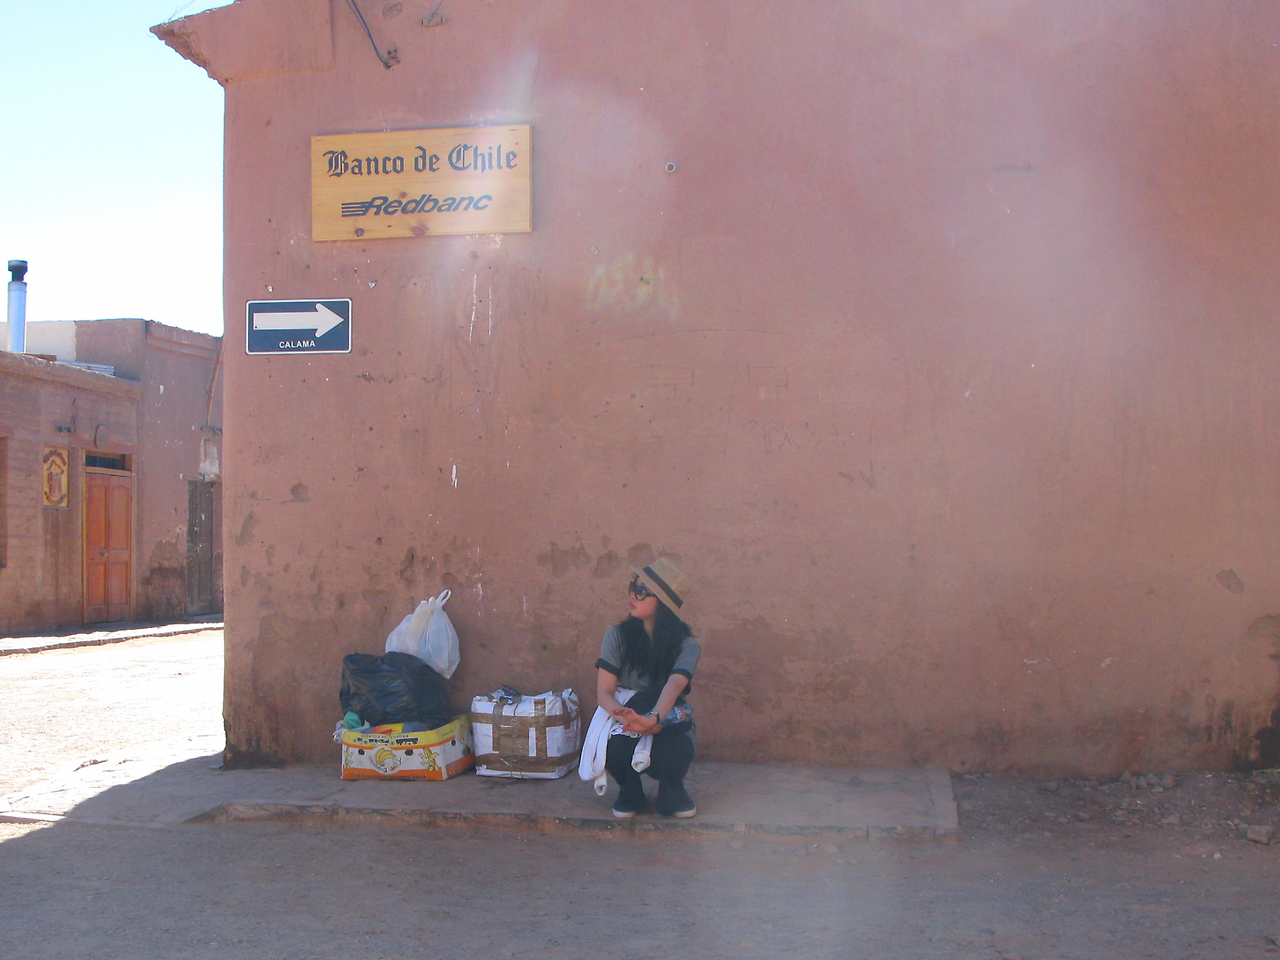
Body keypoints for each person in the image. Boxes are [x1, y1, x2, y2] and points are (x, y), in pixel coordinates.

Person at [595, 558, 701, 818]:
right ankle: (630, 790)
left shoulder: (687, 645)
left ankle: (672, 789)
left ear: (663, 604)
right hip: (626, 713)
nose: (633, 595)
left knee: (677, 748)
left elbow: (675, 685)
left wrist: (652, 720)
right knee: (613, 745)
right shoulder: (617, 636)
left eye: (642, 591)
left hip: (665, 717)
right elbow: (604, 692)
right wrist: (628, 719)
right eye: (633, 586)